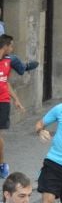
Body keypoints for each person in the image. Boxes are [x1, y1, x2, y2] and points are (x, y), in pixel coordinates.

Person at [0, 37, 23, 178]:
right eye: (11, 46)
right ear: (6, 46)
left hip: (2, 102)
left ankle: (2, 164)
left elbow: (5, 83)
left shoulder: (7, 62)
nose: (12, 49)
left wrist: (16, 100)